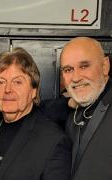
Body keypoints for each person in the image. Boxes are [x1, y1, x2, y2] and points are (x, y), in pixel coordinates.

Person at [0, 47, 72, 180]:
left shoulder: (53, 141)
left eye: (17, 82)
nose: (7, 89)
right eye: (0, 82)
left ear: (34, 90)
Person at [60, 37, 112, 180]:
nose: (76, 77)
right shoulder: (74, 110)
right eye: (68, 69)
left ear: (105, 66)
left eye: (84, 66)